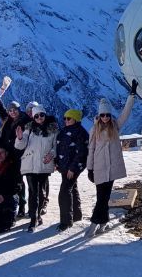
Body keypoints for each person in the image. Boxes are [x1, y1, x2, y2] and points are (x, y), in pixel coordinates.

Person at [86, 82, 137, 233]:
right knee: (101, 197)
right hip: (100, 169)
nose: (106, 117)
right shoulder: (94, 130)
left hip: (112, 169)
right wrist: (90, 169)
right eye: (103, 115)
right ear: (99, 115)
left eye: (108, 114)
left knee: (104, 197)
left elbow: (126, 113)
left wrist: (131, 96)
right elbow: (91, 149)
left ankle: (97, 223)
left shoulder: (115, 126)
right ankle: (101, 222)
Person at [14, 104, 58, 230]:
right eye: (36, 116)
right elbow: (20, 146)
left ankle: (37, 216)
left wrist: (52, 155)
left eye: (41, 115)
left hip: (44, 164)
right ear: (33, 117)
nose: (39, 118)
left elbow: (55, 146)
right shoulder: (29, 129)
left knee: (41, 192)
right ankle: (34, 218)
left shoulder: (53, 129)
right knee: (33, 192)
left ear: (45, 115)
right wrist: (20, 137)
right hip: (30, 164)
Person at [55, 109, 89, 231]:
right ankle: (76, 215)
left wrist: (73, 168)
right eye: (64, 118)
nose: (65, 121)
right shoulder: (65, 130)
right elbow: (59, 148)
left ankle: (66, 221)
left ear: (75, 119)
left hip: (73, 167)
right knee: (72, 188)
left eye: (68, 118)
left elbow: (82, 153)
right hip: (65, 167)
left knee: (64, 192)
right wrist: (57, 163)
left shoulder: (80, 132)